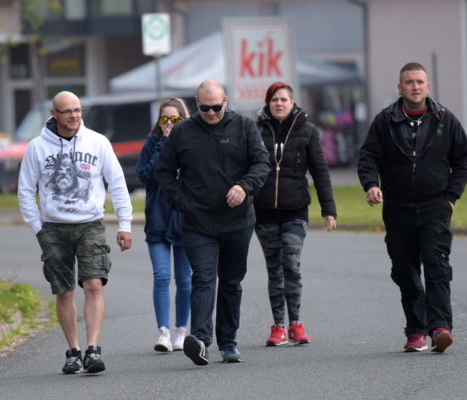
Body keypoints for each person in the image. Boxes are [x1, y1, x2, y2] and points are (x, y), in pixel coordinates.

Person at [357, 62, 467, 353]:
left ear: (428, 86)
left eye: (420, 81)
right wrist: (371, 184)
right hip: (397, 208)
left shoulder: (444, 119)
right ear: (400, 87)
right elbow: (368, 157)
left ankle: (440, 328)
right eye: (409, 82)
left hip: (435, 205)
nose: (415, 87)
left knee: (437, 266)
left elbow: (463, 160)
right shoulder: (385, 121)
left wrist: (451, 197)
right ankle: (416, 330)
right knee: (405, 271)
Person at [155, 80, 270, 365]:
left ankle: (229, 343)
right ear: (197, 104)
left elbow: (262, 163)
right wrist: (182, 203)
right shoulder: (182, 131)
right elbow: (164, 172)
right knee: (203, 278)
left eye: (216, 107)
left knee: (231, 281)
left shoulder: (244, 126)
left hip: (237, 221)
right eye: (204, 108)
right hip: (197, 221)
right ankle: (202, 341)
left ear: (226, 101)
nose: (210, 113)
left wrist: (244, 187)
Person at [18, 91, 133, 374]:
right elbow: (25, 191)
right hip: (54, 228)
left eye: (77, 110)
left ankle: (93, 349)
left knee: (93, 284)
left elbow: (117, 183)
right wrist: (38, 229)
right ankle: (74, 351)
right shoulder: (37, 147)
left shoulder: (97, 142)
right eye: (67, 111)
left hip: (90, 224)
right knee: (65, 291)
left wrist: (124, 224)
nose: (74, 116)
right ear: (54, 114)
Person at [254, 82, 337, 347]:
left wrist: (329, 209)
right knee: (274, 269)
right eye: (275, 100)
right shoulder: (255, 131)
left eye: (284, 100)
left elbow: (320, 171)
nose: (279, 104)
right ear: (268, 103)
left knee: (291, 264)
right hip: (264, 211)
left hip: (296, 209)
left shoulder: (307, 131)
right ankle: (278, 325)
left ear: (293, 103)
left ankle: (296, 323)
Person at [136, 98, 192, 352]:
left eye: (174, 119)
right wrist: (162, 144)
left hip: (184, 220)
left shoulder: (192, 142)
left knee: (184, 279)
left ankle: (181, 330)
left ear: (183, 119)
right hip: (158, 219)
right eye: (164, 119)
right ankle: (163, 332)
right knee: (161, 275)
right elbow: (146, 176)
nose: (169, 124)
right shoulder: (152, 143)